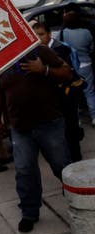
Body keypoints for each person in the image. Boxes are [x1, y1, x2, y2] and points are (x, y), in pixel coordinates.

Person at [0, 45, 72, 233]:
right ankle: (29, 212)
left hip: (49, 123)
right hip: (20, 127)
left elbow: (67, 73)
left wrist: (43, 69)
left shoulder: (39, 51)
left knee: (62, 166)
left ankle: (78, 199)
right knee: (24, 170)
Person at [34, 22, 85, 162]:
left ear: (49, 34)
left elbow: (69, 72)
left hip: (67, 94)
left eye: (41, 34)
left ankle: (75, 160)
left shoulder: (61, 49)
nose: (38, 38)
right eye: (36, 35)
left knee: (71, 129)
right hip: (53, 99)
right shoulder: (37, 51)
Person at [59, 3, 95, 126]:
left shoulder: (62, 34)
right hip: (86, 65)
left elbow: (60, 50)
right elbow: (91, 48)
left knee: (73, 94)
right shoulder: (87, 32)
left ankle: (76, 120)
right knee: (89, 92)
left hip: (71, 68)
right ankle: (94, 116)